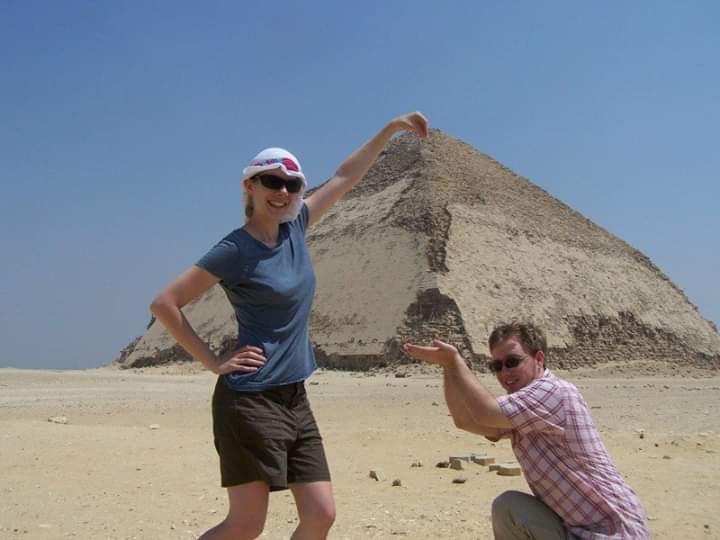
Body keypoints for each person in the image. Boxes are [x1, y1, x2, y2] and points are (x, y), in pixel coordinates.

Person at [149, 111, 428, 540]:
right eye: (272, 181)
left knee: (321, 514)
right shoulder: (234, 249)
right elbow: (165, 303)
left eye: (292, 185)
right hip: (250, 400)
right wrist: (213, 362)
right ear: (250, 186)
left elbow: (345, 176)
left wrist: (389, 130)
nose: (282, 192)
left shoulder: (296, 227)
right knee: (246, 524)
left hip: (295, 396)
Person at [404, 321, 649, 539]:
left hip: (613, 531)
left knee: (509, 508)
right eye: (496, 366)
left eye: (512, 362)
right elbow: (465, 420)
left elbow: (484, 411)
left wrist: (456, 361)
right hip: (575, 530)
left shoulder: (552, 391)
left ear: (539, 359)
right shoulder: (524, 409)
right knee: (508, 508)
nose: (504, 373)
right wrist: (448, 368)